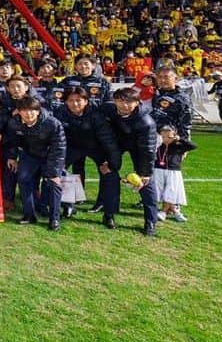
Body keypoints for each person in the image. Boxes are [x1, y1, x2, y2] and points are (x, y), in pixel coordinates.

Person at [55, 88, 121, 227]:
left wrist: (112, 163)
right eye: (71, 101)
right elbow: (55, 136)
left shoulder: (96, 115)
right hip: (72, 147)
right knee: (56, 170)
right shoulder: (60, 113)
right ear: (65, 102)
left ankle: (109, 214)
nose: (75, 104)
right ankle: (67, 205)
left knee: (111, 175)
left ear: (86, 101)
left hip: (96, 147)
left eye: (79, 100)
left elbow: (108, 140)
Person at [104, 87, 160, 236]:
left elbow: (147, 150)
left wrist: (145, 173)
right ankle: (109, 214)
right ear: (114, 101)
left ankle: (151, 221)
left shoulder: (146, 122)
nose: (124, 105)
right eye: (120, 101)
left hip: (139, 148)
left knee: (147, 183)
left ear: (137, 102)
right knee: (110, 174)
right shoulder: (108, 109)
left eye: (129, 101)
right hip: (116, 144)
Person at [6, 96, 66, 231]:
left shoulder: (52, 123)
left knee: (54, 183)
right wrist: (12, 157)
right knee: (23, 179)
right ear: (18, 111)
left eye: (32, 110)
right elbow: (12, 142)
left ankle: (54, 218)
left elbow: (59, 148)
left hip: (50, 155)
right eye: (25, 110)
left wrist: (54, 172)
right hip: (30, 155)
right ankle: (29, 214)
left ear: (38, 111)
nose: (29, 113)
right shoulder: (14, 123)